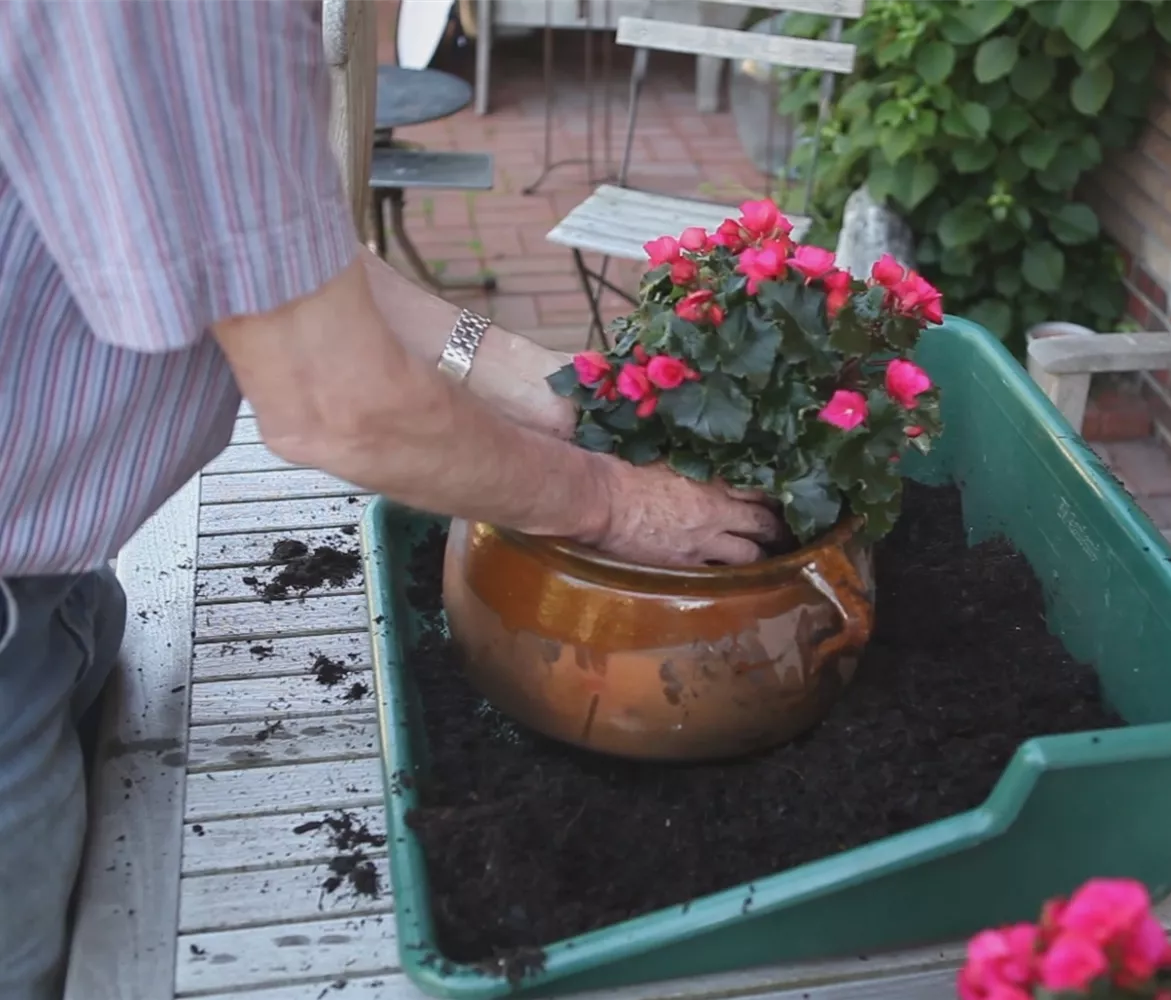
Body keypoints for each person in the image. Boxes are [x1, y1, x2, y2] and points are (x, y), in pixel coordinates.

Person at [0, 3, 780, 997]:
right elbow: (338, 407)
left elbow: (262, 242)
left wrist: (522, 376)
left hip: (53, 589)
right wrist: (616, 505)